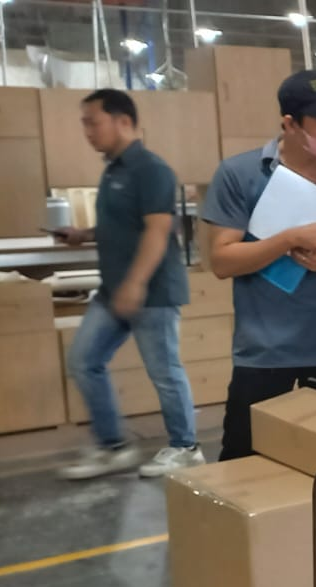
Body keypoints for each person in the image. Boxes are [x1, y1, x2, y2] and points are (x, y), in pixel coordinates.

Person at [199, 70, 316, 462]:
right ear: (290, 125)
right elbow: (222, 260)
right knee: (245, 464)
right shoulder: (239, 175)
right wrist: (288, 239)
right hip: (265, 351)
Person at [55, 89, 204, 480]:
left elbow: (158, 230)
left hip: (150, 293)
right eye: (84, 123)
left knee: (164, 371)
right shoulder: (114, 169)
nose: (87, 131)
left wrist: (135, 284)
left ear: (123, 121)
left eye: (93, 122)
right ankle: (113, 447)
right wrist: (83, 234)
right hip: (114, 291)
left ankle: (186, 447)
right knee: (85, 362)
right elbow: (121, 224)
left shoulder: (151, 169)